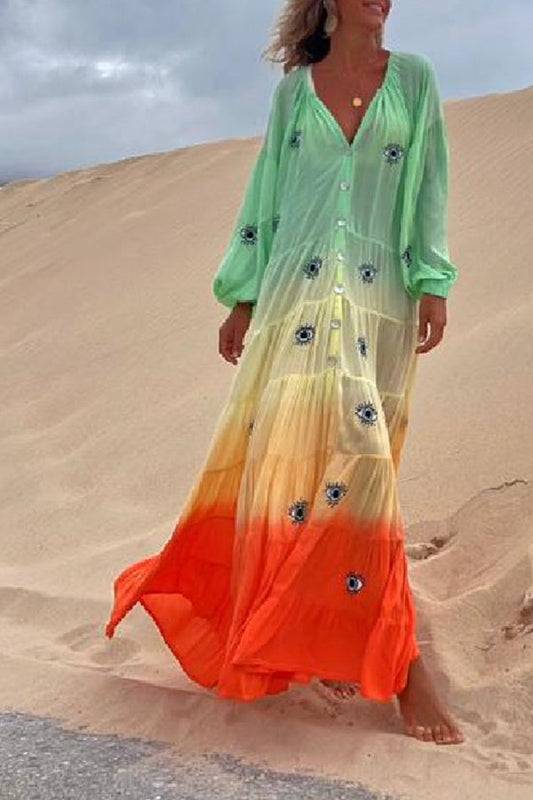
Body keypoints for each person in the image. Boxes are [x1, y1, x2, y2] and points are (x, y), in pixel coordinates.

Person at [105, 0, 465, 746]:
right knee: (313, 466)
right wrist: (241, 296)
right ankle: (403, 666)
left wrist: (432, 281)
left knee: (360, 466)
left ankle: (333, 631)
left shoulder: (414, 80)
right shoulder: (294, 93)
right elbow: (264, 200)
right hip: (294, 298)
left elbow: (429, 183)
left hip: (377, 302)